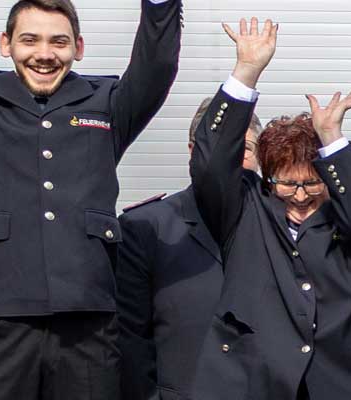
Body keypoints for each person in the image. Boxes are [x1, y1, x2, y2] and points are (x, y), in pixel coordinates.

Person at [0, 0, 180, 395]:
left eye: (58, 42)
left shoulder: (107, 101)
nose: (44, 54)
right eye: (29, 40)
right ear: (5, 44)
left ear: (78, 46)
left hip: (88, 324)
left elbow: (157, 68)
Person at [183, 20, 351, 399]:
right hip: (258, 381)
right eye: (287, 184)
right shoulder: (245, 208)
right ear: (267, 178)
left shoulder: (347, 211)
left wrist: (332, 140)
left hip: (348, 381)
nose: (300, 196)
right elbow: (209, 162)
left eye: (312, 184)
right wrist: (246, 72)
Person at [110, 19, 266, 400]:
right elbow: (131, 338)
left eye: (244, 149)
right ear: (193, 153)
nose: (233, 161)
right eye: (221, 149)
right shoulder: (145, 227)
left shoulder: (284, 221)